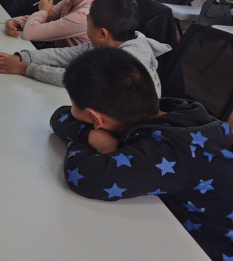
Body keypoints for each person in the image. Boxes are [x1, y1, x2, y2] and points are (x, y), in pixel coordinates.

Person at [50, 48, 233, 260]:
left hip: (210, 247)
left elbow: (85, 176)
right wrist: (91, 135)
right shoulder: (174, 109)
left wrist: (89, 139)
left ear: (97, 119)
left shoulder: (166, 150)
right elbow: (60, 115)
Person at [0, 0, 171, 97]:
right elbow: (66, 55)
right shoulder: (107, 42)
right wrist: (22, 57)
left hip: (133, 122)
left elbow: (77, 79)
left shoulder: (125, 62)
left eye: (88, 22)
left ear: (102, 33)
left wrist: (24, 69)